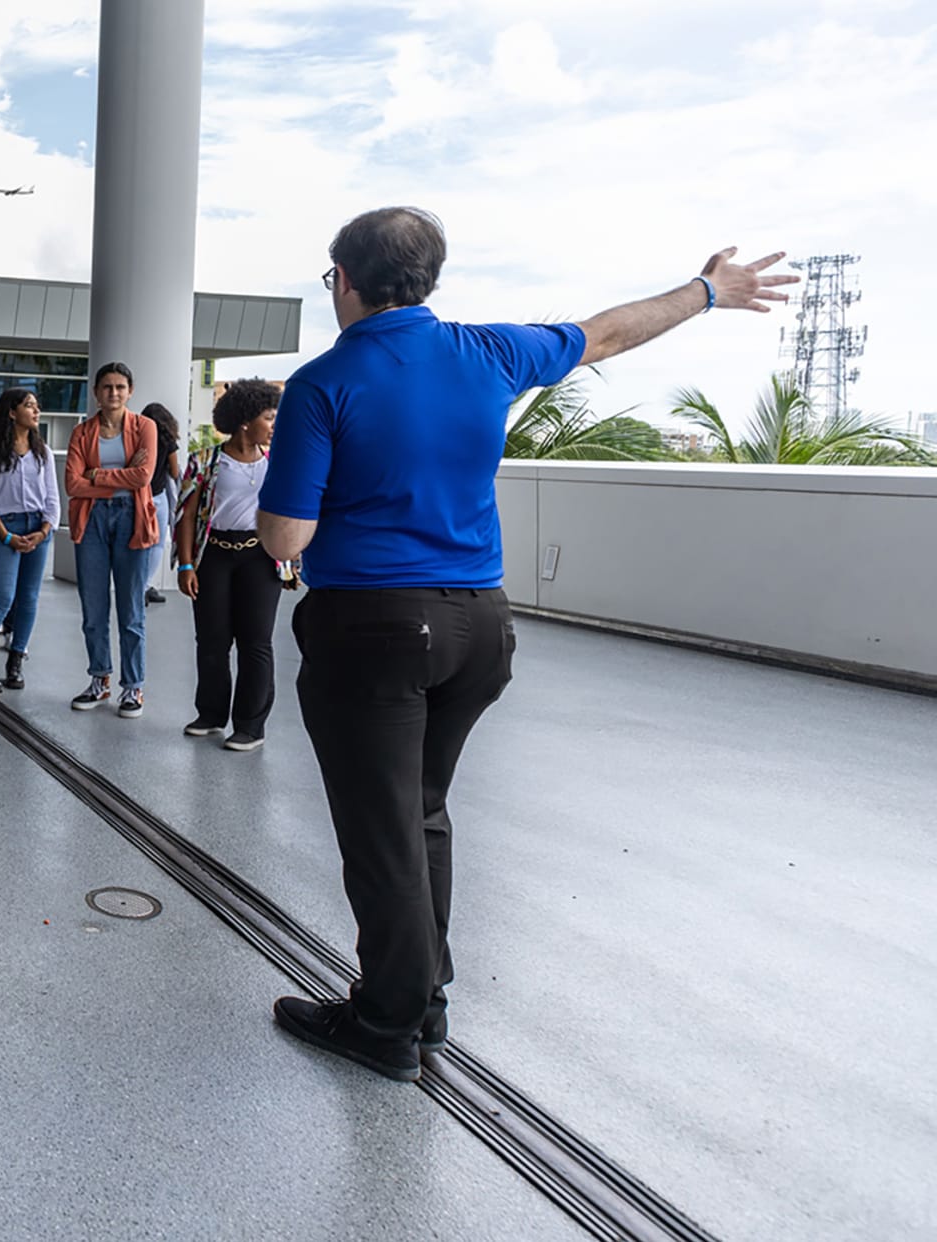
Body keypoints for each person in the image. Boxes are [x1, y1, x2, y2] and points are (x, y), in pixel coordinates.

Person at [256, 206, 796, 1082]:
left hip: (374, 631)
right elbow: (609, 332)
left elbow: (282, 538)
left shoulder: (324, 383)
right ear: (424, 278)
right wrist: (707, 292)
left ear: (345, 281)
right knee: (422, 809)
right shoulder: (493, 351)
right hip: (480, 624)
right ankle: (424, 997)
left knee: (382, 831)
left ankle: (387, 1024)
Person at [175, 378, 285, 752]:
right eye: (269, 418)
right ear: (244, 421)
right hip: (215, 556)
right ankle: (210, 714)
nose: (274, 425)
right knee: (212, 640)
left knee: (256, 642)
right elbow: (186, 516)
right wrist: (186, 566)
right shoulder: (205, 460)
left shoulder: (278, 463)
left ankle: (251, 725)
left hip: (260, 556)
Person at [64, 362, 160, 718]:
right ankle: (99, 679)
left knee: (131, 609)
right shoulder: (82, 432)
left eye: (120, 387)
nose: (114, 393)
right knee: (93, 608)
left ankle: (133, 687)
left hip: (131, 519)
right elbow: (73, 485)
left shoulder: (145, 427)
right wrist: (121, 476)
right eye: (107, 387)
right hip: (91, 521)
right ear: (96, 392)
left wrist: (98, 475)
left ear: (130, 391)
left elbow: (144, 476)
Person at [0, 389, 60, 697]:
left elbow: (52, 498)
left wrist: (45, 530)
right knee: (2, 597)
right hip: (2, 529)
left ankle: (16, 659)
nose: (36, 411)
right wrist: (6, 535)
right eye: (29, 406)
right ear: (11, 412)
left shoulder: (41, 451)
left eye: (37, 405)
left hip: (37, 527)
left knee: (29, 597)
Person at [141, 400, 182, 604]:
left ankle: (138, 586)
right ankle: (146, 585)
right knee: (157, 544)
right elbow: (175, 472)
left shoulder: (139, 438)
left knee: (139, 543)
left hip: (138, 497)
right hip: (158, 497)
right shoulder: (168, 441)